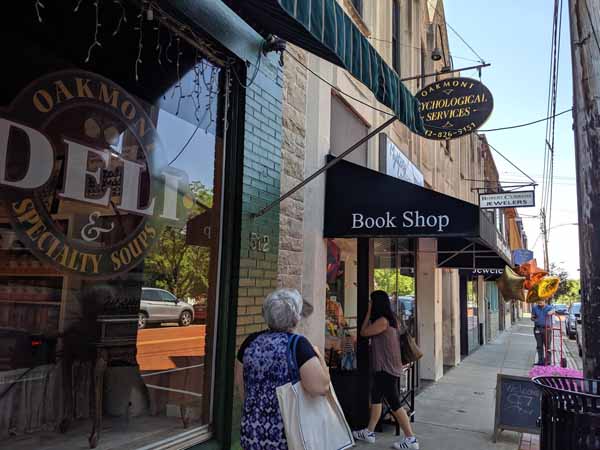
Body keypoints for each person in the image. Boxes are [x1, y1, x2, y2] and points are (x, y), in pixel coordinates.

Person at [235, 288, 331, 450]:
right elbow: (320, 387)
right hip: (287, 436)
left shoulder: (249, 342)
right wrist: (321, 360)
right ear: (295, 318)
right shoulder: (298, 345)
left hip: (252, 433)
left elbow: (242, 388)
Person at [353, 290, 419, 450]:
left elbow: (363, 332)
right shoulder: (391, 318)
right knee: (376, 397)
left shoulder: (382, 321)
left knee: (394, 402)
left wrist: (368, 312)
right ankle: (369, 432)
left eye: (371, 302)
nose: (370, 304)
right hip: (386, 367)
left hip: (387, 368)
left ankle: (411, 439)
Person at [531, 299, 555, 365]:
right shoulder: (535, 308)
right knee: (539, 345)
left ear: (544, 301)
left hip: (547, 329)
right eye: (538, 301)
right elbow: (532, 317)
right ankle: (540, 361)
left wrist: (551, 312)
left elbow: (554, 311)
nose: (539, 302)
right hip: (538, 328)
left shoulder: (549, 307)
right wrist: (534, 318)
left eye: (541, 301)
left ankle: (548, 361)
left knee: (547, 345)